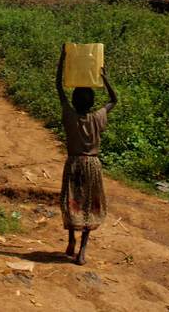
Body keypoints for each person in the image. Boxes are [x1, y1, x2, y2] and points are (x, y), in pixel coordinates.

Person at [55, 45, 117, 265]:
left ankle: (71, 239)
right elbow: (113, 100)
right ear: (92, 102)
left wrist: (63, 61)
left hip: (73, 163)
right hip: (92, 164)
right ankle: (83, 250)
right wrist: (105, 78)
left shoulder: (70, 116)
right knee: (89, 205)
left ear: (74, 102)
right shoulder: (97, 117)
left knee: (72, 201)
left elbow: (58, 88)